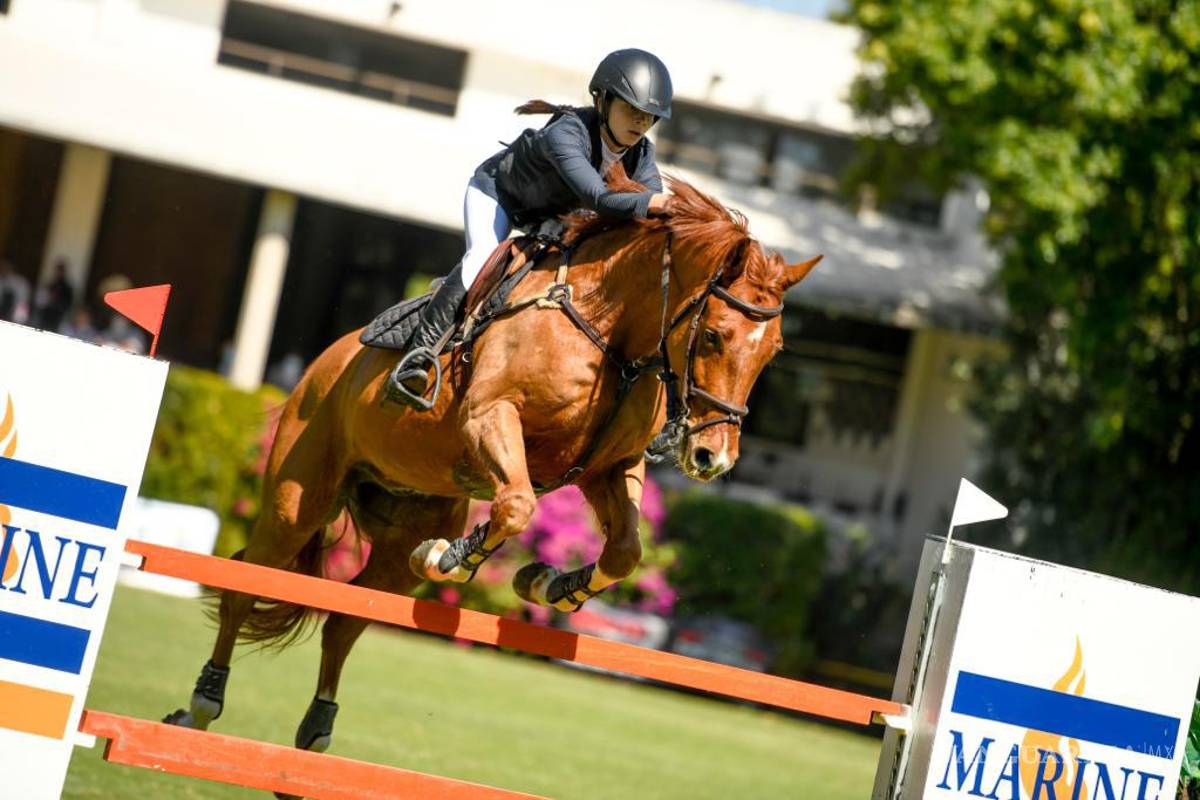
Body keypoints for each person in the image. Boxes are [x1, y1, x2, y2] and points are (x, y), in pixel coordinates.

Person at [390, 48, 676, 407]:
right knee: (481, 257)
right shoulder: (568, 132)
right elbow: (598, 198)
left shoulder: (641, 156)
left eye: (648, 117)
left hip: (552, 223)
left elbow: (647, 217)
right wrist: (657, 203)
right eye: (631, 110)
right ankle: (417, 356)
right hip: (499, 196)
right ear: (603, 100)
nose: (639, 123)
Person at [0, 259, 31, 325]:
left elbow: (23, 302)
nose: (2, 269)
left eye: (5, 267)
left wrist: (18, 321)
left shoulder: (21, 282)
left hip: (13, 317)